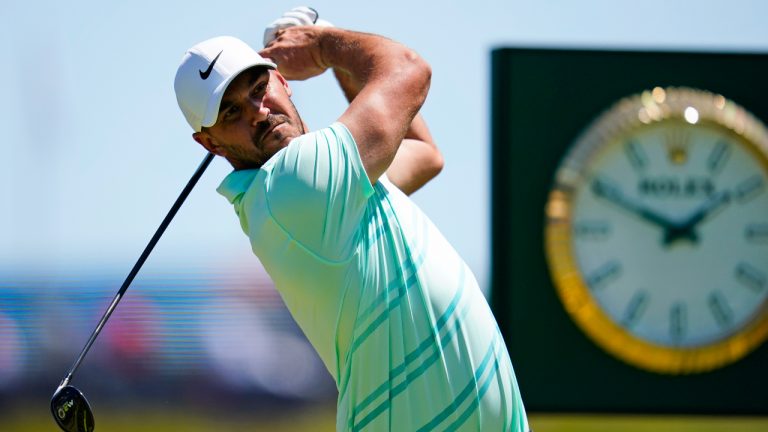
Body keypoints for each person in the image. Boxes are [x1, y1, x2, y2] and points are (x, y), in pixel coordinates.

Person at [174, 8, 529, 432]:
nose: (258, 112)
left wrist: (337, 61)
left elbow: (423, 154)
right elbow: (410, 69)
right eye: (231, 112)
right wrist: (323, 46)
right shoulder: (295, 182)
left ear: (282, 81)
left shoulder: (328, 187)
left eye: (258, 88)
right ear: (210, 143)